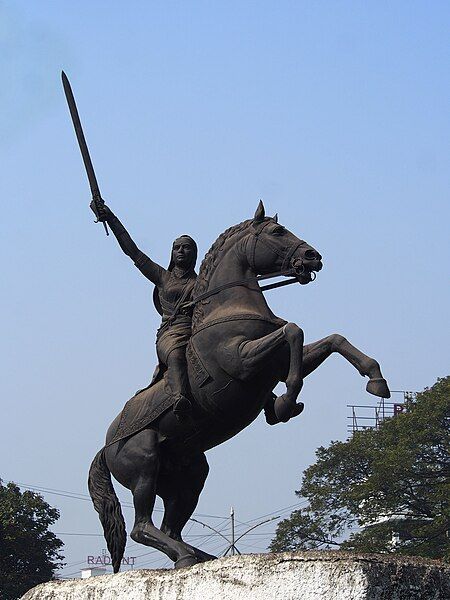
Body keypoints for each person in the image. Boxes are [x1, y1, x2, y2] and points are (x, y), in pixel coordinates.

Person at [93, 201, 197, 420]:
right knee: (177, 356)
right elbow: (132, 251)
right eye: (177, 247)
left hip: (195, 333)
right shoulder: (163, 278)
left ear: (193, 253)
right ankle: (180, 398)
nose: (181, 250)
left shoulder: (202, 282)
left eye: (186, 247)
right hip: (171, 336)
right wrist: (110, 218)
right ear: (172, 252)